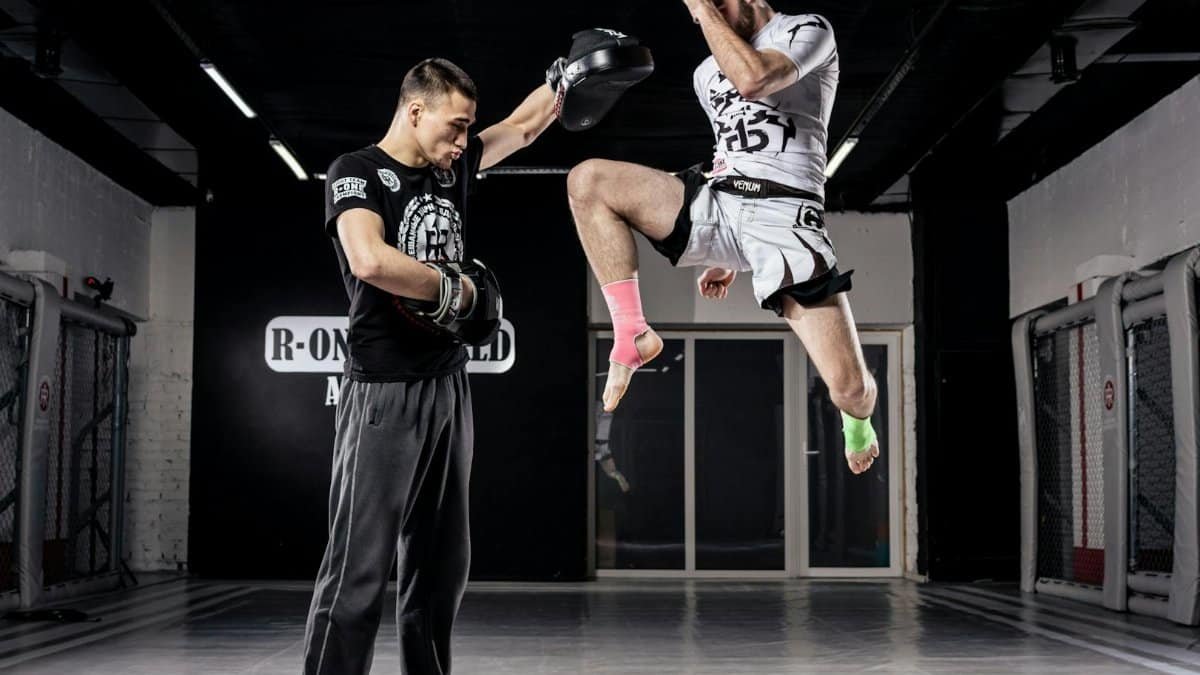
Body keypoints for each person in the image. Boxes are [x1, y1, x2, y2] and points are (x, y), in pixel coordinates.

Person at [303, 57, 557, 675]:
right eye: (456, 127)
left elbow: (522, 128)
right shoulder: (356, 173)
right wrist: (459, 292)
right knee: (359, 566)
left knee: (442, 563)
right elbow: (368, 259)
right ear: (415, 112)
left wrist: (566, 76)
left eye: (469, 130)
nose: (464, 142)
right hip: (382, 391)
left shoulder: (452, 166)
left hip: (448, 385)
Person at [566, 0, 881, 475]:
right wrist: (727, 252)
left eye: (706, 12)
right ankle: (631, 332)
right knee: (588, 181)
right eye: (696, 19)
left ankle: (857, 423)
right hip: (721, 201)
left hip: (785, 215)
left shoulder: (806, 30)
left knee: (850, 390)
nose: (700, 24)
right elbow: (730, 149)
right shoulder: (706, 72)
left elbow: (755, 79)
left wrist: (703, 8)